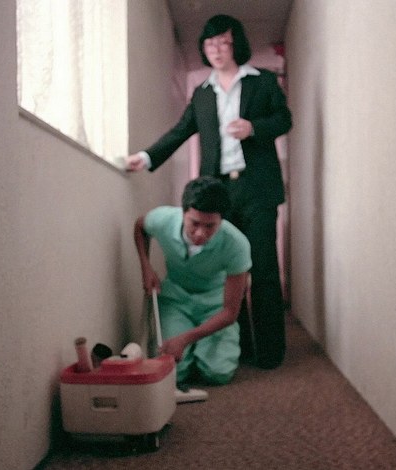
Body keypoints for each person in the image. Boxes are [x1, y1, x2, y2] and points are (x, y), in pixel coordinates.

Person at [125, 14, 291, 369]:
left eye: (223, 41)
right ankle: (241, 346)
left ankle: (271, 352)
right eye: (210, 43)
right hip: (219, 193)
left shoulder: (262, 81)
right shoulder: (202, 93)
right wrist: (146, 157)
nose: (216, 49)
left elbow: (284, 119)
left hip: (257, 188)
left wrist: (253, 128)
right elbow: (181, 130)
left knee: (263, 268)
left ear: (236, 44)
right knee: (228, 271)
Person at [134, 176, 251, 392]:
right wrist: (145, 266)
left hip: (215, 305)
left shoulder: (237, 244)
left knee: (218, 373)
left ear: (221, 221)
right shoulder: (163, 218)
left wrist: (185, 338)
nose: (200, 233)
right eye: (194, 223)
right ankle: (195, 348)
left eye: (210, 226)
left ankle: (203, 347)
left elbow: (230, 312)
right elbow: (140, 226)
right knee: (173, 372)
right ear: (183, 212)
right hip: (175, 299)